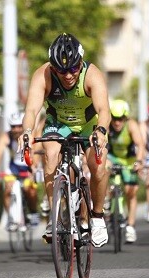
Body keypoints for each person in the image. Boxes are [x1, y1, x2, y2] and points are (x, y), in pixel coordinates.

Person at [16, 33, 111, 248]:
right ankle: (56, 216)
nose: (68, 75)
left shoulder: (91, 74)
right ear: (53, 67)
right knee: (50, 155)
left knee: (98, 165)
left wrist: (102, 131)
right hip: (58, 123)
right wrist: (28, 131)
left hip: (88, 124)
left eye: (73, 68)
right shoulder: (43, 75)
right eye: (61, 70)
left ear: (80, 62)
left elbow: (104, 110)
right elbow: (31, 109)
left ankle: (96, 216)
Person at [0, 112, 39, 229]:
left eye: (19, 126)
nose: (16, 129)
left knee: (30, 190)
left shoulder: (29, 135)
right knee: (8, 189)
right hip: (13, 168)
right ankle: (11, 217)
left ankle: (33, 213)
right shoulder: (6, 136)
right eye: (13, 126)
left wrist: (33, 168)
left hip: (28, 166)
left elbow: (35, 153)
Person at [106, 99, 144, 243]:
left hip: (128, 160)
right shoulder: (108, 124)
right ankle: (106, 201)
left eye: (120, 119)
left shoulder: (131, 125)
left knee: (131, 190)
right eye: (114, 119)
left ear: (125, 118)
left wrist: (139, 162)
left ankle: (131, 226)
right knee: (102, 169)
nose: (117, 123)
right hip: (113, 158)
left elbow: (140, 145)